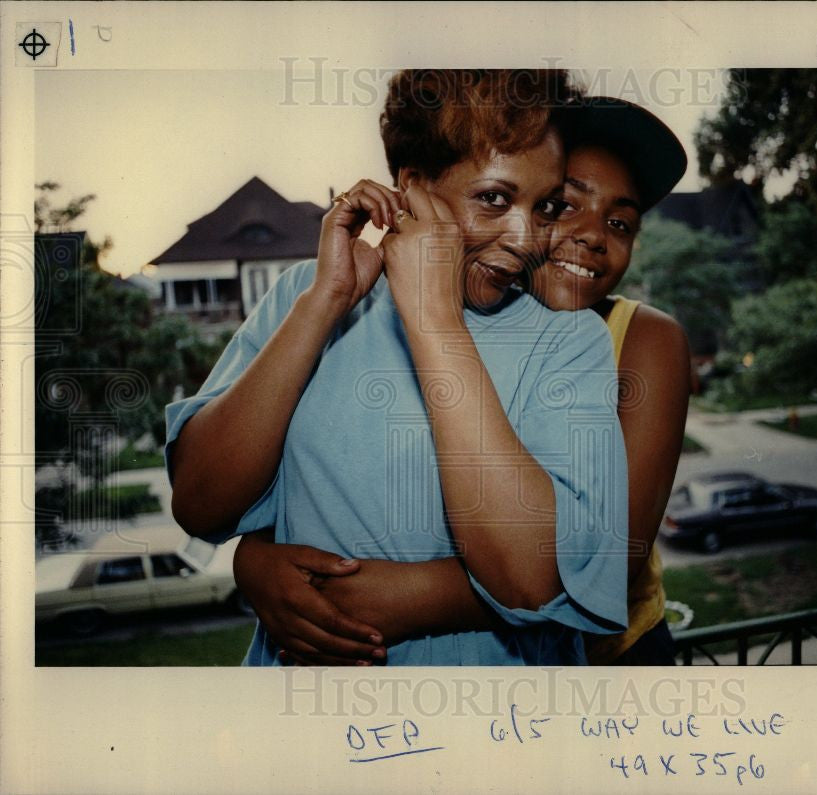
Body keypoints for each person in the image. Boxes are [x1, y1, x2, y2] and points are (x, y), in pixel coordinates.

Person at [165, 70, 631, 666]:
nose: (526, 239)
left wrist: (435, 321)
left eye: (544, 208)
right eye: (494, 198)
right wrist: (324, 303)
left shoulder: (569, 340)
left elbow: (532, 578)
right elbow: (200, 507)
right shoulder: (305, 297)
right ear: (411, 186)